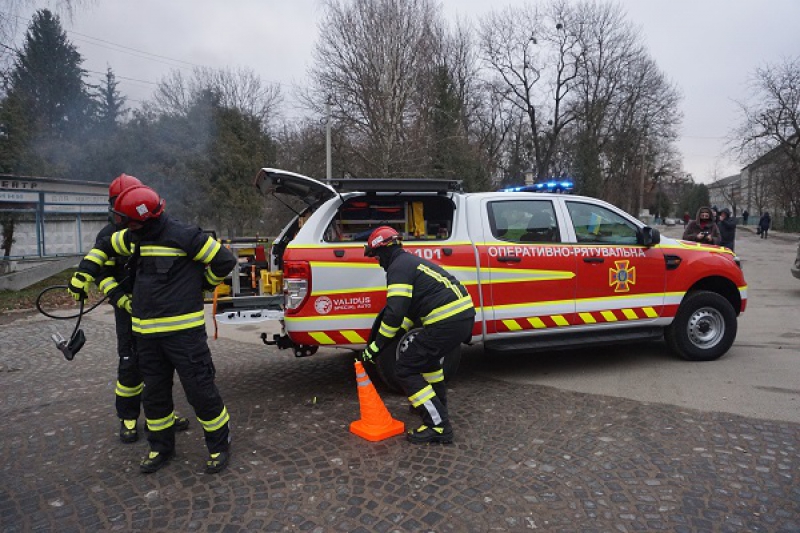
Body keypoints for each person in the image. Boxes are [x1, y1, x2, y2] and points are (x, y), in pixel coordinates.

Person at [68, 184, 237, 474]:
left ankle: (220, 445)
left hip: (184, 337)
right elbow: (104, 247)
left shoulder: (184, 235)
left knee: (200, 392)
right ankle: (160, 447)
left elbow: (225, 260)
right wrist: (83, 275)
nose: (120, 224)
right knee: (155, 396)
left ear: (143, 218)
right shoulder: (134, 237)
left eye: (125, 219)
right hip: (146, 336)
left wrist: (203, 283)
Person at [90, 173, 189, 443]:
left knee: (159, 367)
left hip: (156, 309)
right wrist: (121, 298)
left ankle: (163, 417)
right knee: (130, 366)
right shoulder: (108, 235)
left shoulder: (154, 228)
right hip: (129, 310)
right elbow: (101, 274)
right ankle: (129, 419)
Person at [361, 226, 475, 444]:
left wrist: (376, 347)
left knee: (404, 368)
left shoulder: (398, 268)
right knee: (428, 362)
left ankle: (438, 426)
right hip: (459, 319)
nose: (377, 261)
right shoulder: (408, 262)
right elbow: (407, 314)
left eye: (376, 256)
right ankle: (436, 405)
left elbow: (394, 314)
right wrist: (384, 343)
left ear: (384, 250)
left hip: (446, 322)